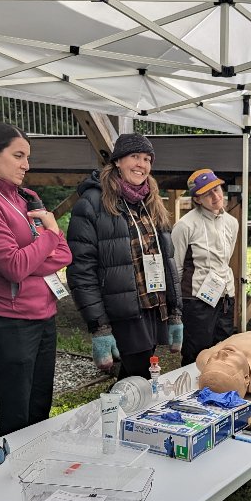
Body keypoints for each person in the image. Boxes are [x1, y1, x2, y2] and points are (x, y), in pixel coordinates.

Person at [0, 122, 72, 436]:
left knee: (40, 407)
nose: (27, 164)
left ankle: (35, 473)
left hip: (44, 314)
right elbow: (13, 266)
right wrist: (47, 239)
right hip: (9, 321)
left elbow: (63, 255)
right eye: (19, 155)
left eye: (28, 157)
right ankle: (7, 480)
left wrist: (34, 254)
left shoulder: (27, 196)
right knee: (15, 415)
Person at [67, 132, 182, 378]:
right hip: (123, 313)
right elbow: (81, 270)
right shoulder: (91, 204)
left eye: (147, 159)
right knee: (139, 376)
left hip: (154, 307)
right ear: (118, 161)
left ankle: (120, 414)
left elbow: (167, 260)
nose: (142, 164)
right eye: (134, 156)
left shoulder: (151, 202)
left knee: (137, 378)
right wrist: (99, 326)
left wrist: (175, 311)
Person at [171, 168, 238, 366]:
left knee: (224, 352)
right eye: (207, 193)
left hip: (225, 297)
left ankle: (221, 389)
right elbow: (176, 268)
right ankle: (192, 394)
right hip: (196, 300)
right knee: (196, 354)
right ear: (197, 199)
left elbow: (225, 260)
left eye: (217, 189)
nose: (215, 196)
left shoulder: (232, 222)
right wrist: (177, 306)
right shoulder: (185, 226)